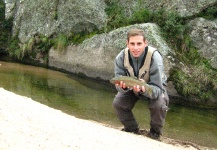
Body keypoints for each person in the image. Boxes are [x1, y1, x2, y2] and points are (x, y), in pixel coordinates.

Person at [112, 28, 169, 140]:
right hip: (132, 86)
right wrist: (122, 88)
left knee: (158, 105)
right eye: (132, 44)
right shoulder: (121, 57)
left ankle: (155, 133)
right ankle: (132, 129)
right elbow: (117, 83)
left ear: (145, 43)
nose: (135, 48)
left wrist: (144, 89)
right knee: (118, 103)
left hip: (153, 86)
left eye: (139, 43)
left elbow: (157, 89)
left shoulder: (155, 57)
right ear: (127, 44)